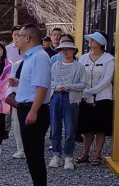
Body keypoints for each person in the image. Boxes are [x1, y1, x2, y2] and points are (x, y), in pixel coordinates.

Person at [10, 24, 51, 186]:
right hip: (26, 107)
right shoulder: (30, 57)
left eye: (19, 36)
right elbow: (34, 84)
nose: (16, 39)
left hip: (34, 109)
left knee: (35, 157)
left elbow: (42, 87)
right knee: (31, 155)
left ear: (27, 38)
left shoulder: (40, 57)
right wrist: (20, 83)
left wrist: (33, 111)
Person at [76, 32, 115, 166]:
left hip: (103, 98)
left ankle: (97, 155)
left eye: (94, 39)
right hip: (85, 97)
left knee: (100, 128)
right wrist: (85, 92)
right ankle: (84, 154)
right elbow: (80, 75)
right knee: (87, 128)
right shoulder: (83, 58)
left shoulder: (109, 59)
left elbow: (106, 79)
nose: (90, 41)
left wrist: (92, 92)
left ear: (101, 42)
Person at [49, 41, 87, 170]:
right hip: (56, 96)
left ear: (73, 51)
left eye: (68, 49)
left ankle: (68, 156)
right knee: (55, 127)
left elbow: (83, 84)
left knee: (70, 128)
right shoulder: (55, 65)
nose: (65, 52)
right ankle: (56, 154)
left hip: (71, 98)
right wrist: (57, 86)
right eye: (62, 49)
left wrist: (68, 87)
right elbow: (50, 81)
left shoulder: (79, 67)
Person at [4, 25, 23, 139]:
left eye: (19, 34)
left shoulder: (26, 48)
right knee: (7, 105)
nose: (17, 37)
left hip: (22, 81)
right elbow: (4, 66)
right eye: (15, 34)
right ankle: (6, 129)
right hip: (9, 80)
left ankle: (21, 128)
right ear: (12, 35)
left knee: (19, 105)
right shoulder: (7, 49)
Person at [5, 56, 25, 159]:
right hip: (18, 97)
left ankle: (31, 149)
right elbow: (12, 82)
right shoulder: (17, 64)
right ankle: (20, 149)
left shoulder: (38, 63)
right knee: (17, 124)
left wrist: (19, 81)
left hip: (34, 98)